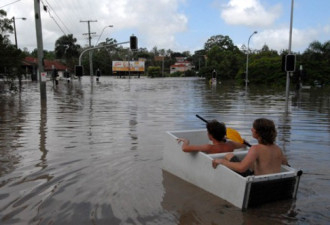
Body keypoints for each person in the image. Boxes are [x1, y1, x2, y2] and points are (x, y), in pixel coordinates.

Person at [212, 118, 289, 176]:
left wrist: (222, 161)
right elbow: (285, 162)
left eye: (253, 128)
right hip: (275, 184)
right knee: (254, 163)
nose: (251, 129)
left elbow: (241, 168)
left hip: (259, 185)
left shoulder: (255, 149)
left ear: (259, 133)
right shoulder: (278, 149)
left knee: (229, 156)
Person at [177, 120, 246, 154]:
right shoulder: (231, 145)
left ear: (210, 136)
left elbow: (185, 148)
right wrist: (226, 139)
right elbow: (243, 143)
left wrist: (186, 141)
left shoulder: (208, 147)